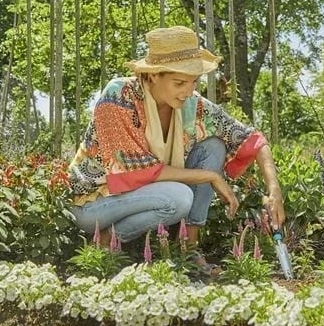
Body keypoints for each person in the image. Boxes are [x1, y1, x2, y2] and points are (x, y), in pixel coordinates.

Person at [67, 25, 286, 274]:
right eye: (179, 82)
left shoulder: (192, 105)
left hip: (145, 194)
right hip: (95, 202)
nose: (188, 91)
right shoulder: (118, 96)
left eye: (194, 82)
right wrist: (210, 176)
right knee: (179, 198)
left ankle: (187, 249)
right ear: (152, 76)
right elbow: (133, 171)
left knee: (213, 145)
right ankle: (105, 240)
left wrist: (274, 190)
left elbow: (253, 140)